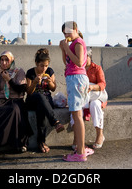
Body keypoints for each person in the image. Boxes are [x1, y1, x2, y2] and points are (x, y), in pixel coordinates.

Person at [0, 51, 33, 158]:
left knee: (14, 109)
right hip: (2, 99)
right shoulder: (0, 72)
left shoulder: (19, 71)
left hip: (16, 99)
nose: (4, 62)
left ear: (12, 61)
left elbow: (21, 89)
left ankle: (18, 142)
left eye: (7, 60)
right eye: (2, 60)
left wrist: (9, 79)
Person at [59, 21, 93, 162]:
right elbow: (67, 62)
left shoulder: (78, 42)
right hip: (75, 79)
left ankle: (79, 153)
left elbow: (79, 62)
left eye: (68, 32)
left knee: (77, 115)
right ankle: (81, 147)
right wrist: (64, 49)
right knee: (77, 114)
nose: (66, 35)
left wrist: (66, 48)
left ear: (76, 30)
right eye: (64, 33)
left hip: (76, 79)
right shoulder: (73, 43)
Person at [26, 48, 65, 153]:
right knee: (39, 96)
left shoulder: (50, 72)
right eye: (41, 66)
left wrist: (50, 82)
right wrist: (34, 83)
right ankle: (55, 122)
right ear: (36, 64)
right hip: (32, 100)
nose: (44, 68)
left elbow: (53, 88)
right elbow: (28, 92)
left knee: (41, 108)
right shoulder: (30, 72)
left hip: (46, 101)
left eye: (46, 66)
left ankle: (41, 142)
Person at [71, 47, 108, 149]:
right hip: (83, 96)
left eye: (84, 57)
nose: (82, 59)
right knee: (76, 104)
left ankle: (100, 134)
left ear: (89, 57)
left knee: (95, 104)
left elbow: (102, 84)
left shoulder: (97, 68)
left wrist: (92, 87)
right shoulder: (77, 69)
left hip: (96, 94)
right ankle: (76, 137)